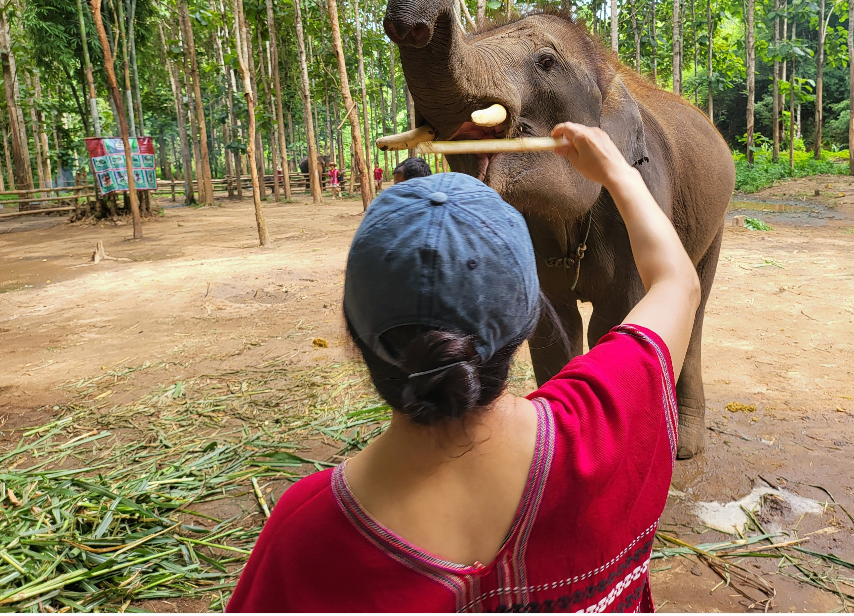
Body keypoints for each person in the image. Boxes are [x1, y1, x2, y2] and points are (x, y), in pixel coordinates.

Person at [228, 122, 700, 613]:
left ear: (353, 331)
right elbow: (677, 282)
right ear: (528, 318)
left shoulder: (305, 537)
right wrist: (618, 173)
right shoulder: (606, 423)